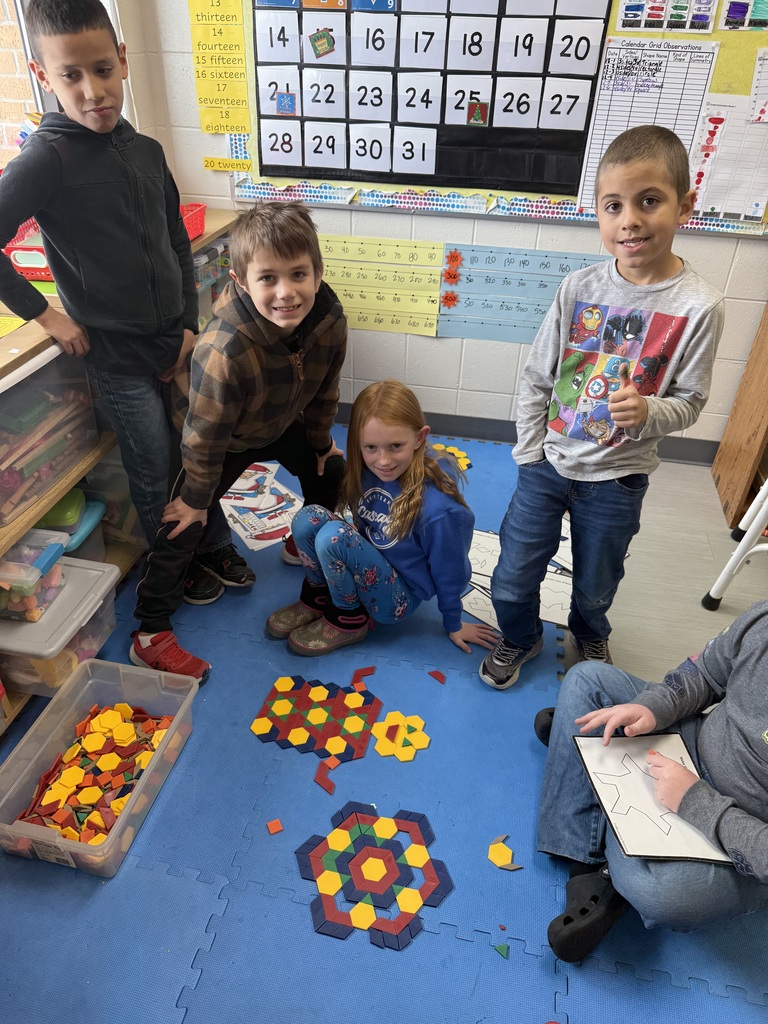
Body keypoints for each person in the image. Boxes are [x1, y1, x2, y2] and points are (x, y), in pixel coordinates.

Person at [479, 125, 724, 691]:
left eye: (649, 201)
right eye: (613, 205)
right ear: (598, 212)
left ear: (685, 206)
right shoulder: (577, 287)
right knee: (513, 575)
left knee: (595, 582)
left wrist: (650, 413)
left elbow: (689, 402)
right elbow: (538, 376)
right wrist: (529, 452)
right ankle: (519, 636)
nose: (629, 220)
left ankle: (588, 630)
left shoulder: (700, 305)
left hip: (618, 478)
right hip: (548, 465)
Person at [0, 0, 199, 547]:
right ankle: (169, 570)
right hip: (113, 356)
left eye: (103, 69)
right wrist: (45, 317)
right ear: (42, 77)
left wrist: (188, 324)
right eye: (71, 75)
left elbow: (176, 239)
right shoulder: (47, 159)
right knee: (152, 462)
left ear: (123, 60)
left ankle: (202, 548)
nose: (93, 91)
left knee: (194, 452)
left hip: (171, 341)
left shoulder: (148, 151)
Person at [130, 200, 346, 683]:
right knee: (184, 519)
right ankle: (149, 633)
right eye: (268, 278)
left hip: (280, 422)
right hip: (222, 439)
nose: (286, 292)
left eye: (299, 275)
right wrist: (197, 498)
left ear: (318, 272)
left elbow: (324, 391)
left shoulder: (330, 320)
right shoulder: (224, 347)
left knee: (329, 469)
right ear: (241, 280)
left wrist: (318, 443)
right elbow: (204, 437)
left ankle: (303, 544)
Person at [535, 601, 768, 963]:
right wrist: (651, 708)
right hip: (691, 743)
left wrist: (694, 801)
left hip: (743, 833)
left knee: (666, 897)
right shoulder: (764, 618)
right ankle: (588, 864)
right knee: (586, 679)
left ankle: (584, 766)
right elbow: (705, 673)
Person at [266, 379, 499, 656]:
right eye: (371, 448)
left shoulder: (439, 509)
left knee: (334, 537)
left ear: (419, 438)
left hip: (398, 598)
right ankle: (317, 597)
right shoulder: (365, 470)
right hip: (371, 566)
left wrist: (454, 622)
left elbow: (451, 570)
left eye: (395, 446)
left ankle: (348, 619)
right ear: (358, 444)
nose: (384, 461)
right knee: (308, 518)